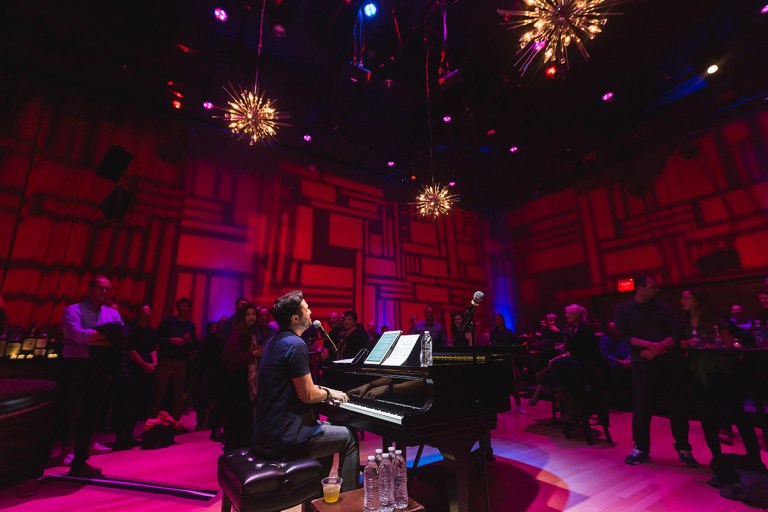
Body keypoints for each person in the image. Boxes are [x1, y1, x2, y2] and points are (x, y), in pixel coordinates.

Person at [253, 290, 359, 493]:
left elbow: (296, 388)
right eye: (306, 308)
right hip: (284, 437)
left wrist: (326, 390)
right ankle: (350, 502)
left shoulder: (275, 342)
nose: (310, 311)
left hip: (267, 432)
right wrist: (329, 393)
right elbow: (307, 395)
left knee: (327, 429)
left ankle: (316, 497)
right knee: (349, 438)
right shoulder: (295, 345)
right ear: (295, 318)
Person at [615, 275, 699, 467]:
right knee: (642, 406)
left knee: (677, 406)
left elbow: (676, 331)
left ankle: (684, 448)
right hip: (643, 361)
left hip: (669, 360)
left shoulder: (663, 307)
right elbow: (623, 335)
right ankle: (641, 448)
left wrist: (660, 347)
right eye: (653, 287)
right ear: (640, 288)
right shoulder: (623, 308)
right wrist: (651, 345)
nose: (657, 290)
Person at [59, 275, 122, 477]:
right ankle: (63, 452)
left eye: (107, 289)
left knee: (92, 414)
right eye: (100, 288)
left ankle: (80, 460)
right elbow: (76, 336)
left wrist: (93, 337)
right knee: (71, 412)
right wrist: (103, 337)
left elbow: (120, 338)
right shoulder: (72, 310)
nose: (104, 292)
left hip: (100, 368)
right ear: (90, 289)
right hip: (76, 366)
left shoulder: (112, 314)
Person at [151, 297, 196, 428]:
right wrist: (170, 340)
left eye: (186, 306)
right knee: (159, 390)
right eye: (181, 306)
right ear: (178, 308)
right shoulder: (168, 321)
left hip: (181, 361)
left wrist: (189, 341)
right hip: (166, 360)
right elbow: (156, 338)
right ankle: (153, 420)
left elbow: (192, 345)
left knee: (179, 392)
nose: (184, 309)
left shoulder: (190, 325)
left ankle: (175, 422)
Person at [221, 304, 261, 450]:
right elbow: (230, 357)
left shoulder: (250, 332)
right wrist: (252, 354)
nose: (252, 317)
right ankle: (236, 444)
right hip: (238, 378)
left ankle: (243, 442)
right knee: (238, 411)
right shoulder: (238, 333)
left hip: (244, 377)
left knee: (245, 411)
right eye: (248, 315)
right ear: (243, 317)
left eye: (253, 314)